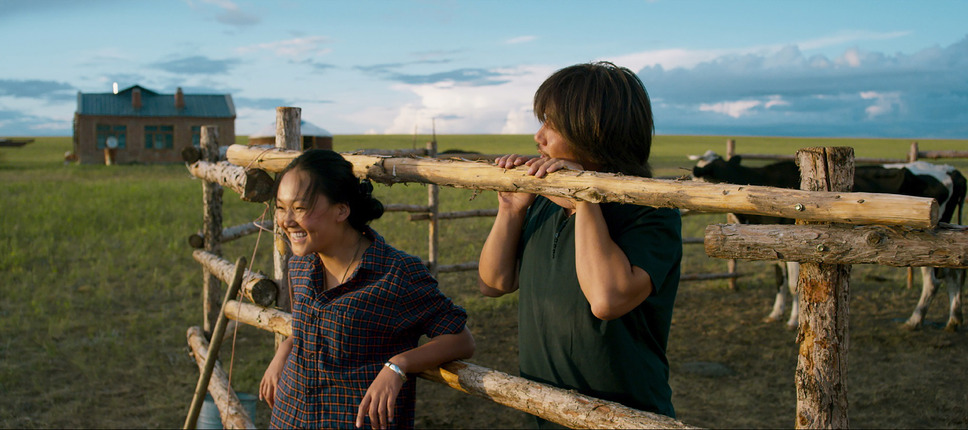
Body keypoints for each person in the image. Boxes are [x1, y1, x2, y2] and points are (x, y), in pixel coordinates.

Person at [477, 61, 682, 426]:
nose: (538, 137)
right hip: (543, 411)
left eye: (551, 124)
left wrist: (585, 199)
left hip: (623, 417)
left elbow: (607, 299)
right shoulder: (542, 201)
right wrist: (511, 208)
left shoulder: (650, 211)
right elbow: (493, 284)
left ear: (593, 131)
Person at [260, 149, 475, 429]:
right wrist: (285, 351)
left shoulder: (395, 273)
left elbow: (461, 340)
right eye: (280, 207)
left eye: (300, 208)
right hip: (289, 416)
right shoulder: (301, 265)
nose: (286, 220)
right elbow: (312, 327)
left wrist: (398, 365)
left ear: (341, 209)